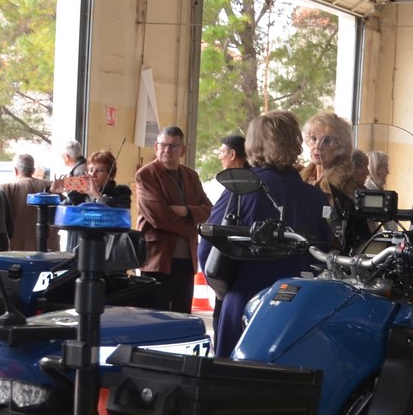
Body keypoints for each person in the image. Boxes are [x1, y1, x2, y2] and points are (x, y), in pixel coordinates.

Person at [197, 110, 333, 355]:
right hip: (297, 307)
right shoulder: (314, 197)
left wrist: (223, 289)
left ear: (254, 144)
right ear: (295, 143)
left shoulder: (239, 191)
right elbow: (327, 251)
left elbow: (208, 245)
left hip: (244, 300)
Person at [134, 126, 213, 312]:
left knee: (182, 314)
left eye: (173, 146)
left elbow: (209, 210)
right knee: (156, 316)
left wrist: (186, 211)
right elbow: (159, 218)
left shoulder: (191, 175)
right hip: (158, 259)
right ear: (156, 147)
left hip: (187, 259)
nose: (167, 150)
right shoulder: (146, 175)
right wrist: (193, 225)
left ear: (183, 150)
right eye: (163, 145)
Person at [302, 111, 366, 249]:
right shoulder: (300, 178)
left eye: (327, 141)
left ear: (342, 147)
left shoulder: (348, 185)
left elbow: (359, 234)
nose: (317, 146)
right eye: (313, 138)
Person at [0, 153, 51, 252]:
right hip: (45, 250)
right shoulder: (49, 186)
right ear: (33, 170)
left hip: (15, 251)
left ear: (15, 170)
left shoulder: (6, 188)